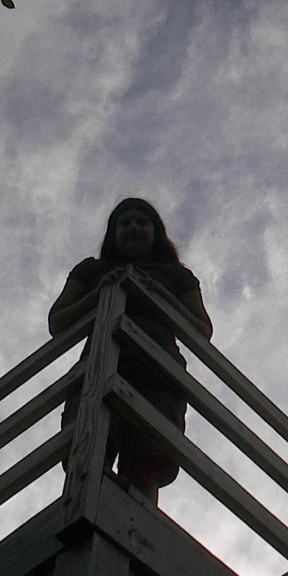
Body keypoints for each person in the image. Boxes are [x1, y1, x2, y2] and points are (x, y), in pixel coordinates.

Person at [48, 198, 213, 505]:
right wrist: (99, 295)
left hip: (158, 370)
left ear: (156, 233)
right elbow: (57, 322)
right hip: (99, 364)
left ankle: (137, 533)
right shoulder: (92, 269)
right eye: (124, 223)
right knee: (88, 449)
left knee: (146, 463)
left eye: (142, 222)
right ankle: (85, 514)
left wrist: (163, 298)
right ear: (113, 233)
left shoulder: (176, 275)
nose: (133, 228)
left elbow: (202, 332)